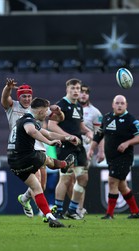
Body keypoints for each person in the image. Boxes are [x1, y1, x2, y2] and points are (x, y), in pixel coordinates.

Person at [7, 97, 78, 228]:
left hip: (13, 162)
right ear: (40, 112)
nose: (47, 115)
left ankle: (49, 217)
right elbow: (31, 131)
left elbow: (49, 134)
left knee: (37, 188)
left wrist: (67, 137)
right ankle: (63, 165)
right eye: (46, 112)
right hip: (25, 157)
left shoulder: (24, 120)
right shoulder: (28, 120)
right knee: (42, 157)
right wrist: (49, 143)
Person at [1, 78, 66, 219]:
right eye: (24, 96)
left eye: (29, 96)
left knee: (41, 184)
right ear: (19, 96)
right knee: (36, 181)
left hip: (39, 146)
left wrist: (58, 112)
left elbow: (59, 119)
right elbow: (5, 99)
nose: (27, 98)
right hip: (23, 148)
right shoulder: (13, 106)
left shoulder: (36, 109)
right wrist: (7, 88)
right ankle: (45, 213)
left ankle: (25, 199)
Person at [88, 95, 139, 219]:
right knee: (121, 185)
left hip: (124, 157)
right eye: (117, 103)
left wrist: (127, 143)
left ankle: (109, 214)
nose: (119, 105)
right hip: (111, 158)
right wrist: (92, 149)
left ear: (126, 105)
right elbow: (99, 135)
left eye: (122, 103)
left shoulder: (131, 120)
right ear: (113, 105)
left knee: (112, 181)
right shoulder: (107, 118)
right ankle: (136, 211)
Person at [47, 78, 94, 220]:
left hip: (78, 147)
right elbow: (51, 125)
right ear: (67, 89)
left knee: (83, 178)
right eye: (73, 88)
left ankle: (72, 210)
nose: (76, 91)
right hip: (65, 146)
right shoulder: (61, 105)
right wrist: (69, 137)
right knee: (66, 179)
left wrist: (88, 132)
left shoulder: (78, 107)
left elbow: (79, 126)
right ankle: (58, 211)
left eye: (78, 89)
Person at [76, 84, 105, 217]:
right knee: (69, 179)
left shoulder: (95, 112)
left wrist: (101, 151)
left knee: (80, 178)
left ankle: (79, 208)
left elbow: (99, 134)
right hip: (70, 146)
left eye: (86, 93)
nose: (83, 95)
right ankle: (73, 207)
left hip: (86, 147)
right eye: (81, 92)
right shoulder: (71, 108)